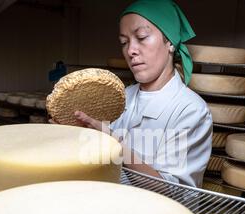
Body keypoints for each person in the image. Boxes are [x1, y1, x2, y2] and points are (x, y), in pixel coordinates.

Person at [74, 0, 212, 188]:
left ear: (170, 42)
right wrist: (75, 131)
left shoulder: (191, 110)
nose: (130, 50)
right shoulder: (121, 96)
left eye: (141, 37)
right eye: (124, 42)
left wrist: (115, 143)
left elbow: (171, 191)